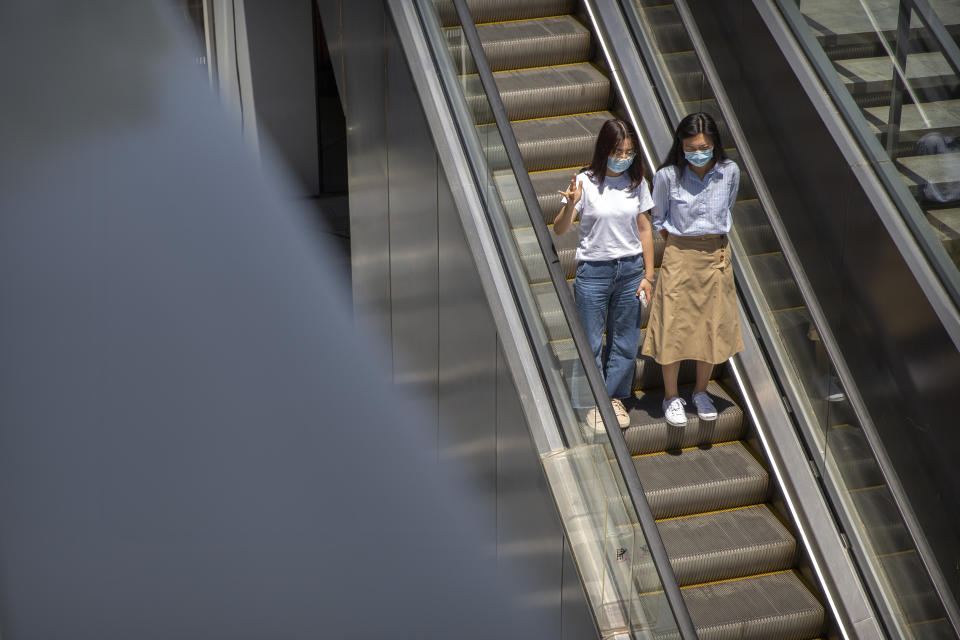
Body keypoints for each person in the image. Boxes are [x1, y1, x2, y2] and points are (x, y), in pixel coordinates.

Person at [642, 112, 744, 427]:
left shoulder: (729, 171)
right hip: (680, 253)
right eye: (691, 146)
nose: (698, 151)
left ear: (715, 144)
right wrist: (679, 247)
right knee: (672, 323)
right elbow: (658, 219)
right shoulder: (667, 176)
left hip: (716, 253)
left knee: (712, 325)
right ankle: (671, 396)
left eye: (705, 145)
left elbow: (728, 206)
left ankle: (701, 391)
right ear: (681, 145)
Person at [555, 119, 656, 431]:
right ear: (604, 150)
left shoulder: (636, 182)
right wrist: (570, 205)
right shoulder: (584, 182)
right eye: (617, 151)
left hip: (630, 270)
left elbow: (644, 230)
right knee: (590, 341)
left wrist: (648, 275)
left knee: (625, 340)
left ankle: (613, 398)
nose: (623, 157)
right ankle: (592, 401)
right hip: (593, 271)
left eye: (628, 152)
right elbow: (559, 230)